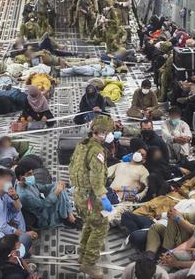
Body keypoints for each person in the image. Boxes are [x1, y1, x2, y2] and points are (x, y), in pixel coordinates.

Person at [68, 115, 115, 279]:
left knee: (89, 223)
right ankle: (89, 264)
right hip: (92, 198)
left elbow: (71, 166)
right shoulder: (97, 152)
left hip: (79, 195)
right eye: (108, 132)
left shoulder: (82, 144)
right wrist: (103, 197)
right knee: (100, 227)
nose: (110, 135)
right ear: (101, 132)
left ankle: (82, 255)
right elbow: (96, 179)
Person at [15, 165, 76, 229]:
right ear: (21, 177)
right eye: (29, 174)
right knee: (59, 191)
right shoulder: (24, 195)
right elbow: (43, 204)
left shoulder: (27, 183)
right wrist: (57, 191)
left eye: (32, 173)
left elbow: (43, 187)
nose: (32, 176)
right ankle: (67, 215)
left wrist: (57, 184)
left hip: (43, 207)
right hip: (42, 216)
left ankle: (68, 214)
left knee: (58, 187)